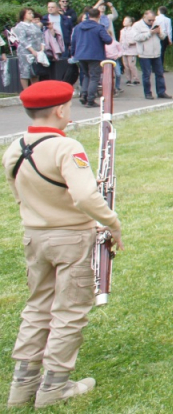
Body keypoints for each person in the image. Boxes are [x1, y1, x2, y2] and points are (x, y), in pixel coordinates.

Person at [3, 81, 123, 408]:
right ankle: (55, 385)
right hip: (71, 237)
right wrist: (111, 222)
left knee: (37, 307)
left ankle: (22, 385)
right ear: (59, 110)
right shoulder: (66, 148)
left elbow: (19, 195)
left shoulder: (14, 148)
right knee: (68, 310)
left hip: (35, 236)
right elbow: (84, 195)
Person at [71, 8, 112, 107]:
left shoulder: (78, 27)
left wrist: (74, 53)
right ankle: (90, 100)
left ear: (88, 16)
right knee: (94, 77)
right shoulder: (99, 27)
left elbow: (73, 41)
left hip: (81, 54)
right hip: (95, 55)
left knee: (86, 75)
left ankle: (84, 95)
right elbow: (108, 40)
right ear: (99, 16)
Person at [131, 11, 169, 101]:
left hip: (156, 53)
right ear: (144, 17)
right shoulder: (137, 25)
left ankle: (161, 92)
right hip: (144, 54)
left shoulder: (157, 23)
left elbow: (163, 36)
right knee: (146, 75)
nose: (152, 22)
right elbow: (136, 38)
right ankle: (148, 93)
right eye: (149, 20)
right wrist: (149, 33)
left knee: (160, 73)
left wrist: (159, 32)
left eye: (153, 20)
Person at [10, 9, 46, 91]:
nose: (32, 15)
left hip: (37, 51)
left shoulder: (35, 25)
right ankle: (26, 91)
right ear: (24, 15)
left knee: (35, 72)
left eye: (32, 13)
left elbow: (41, 36)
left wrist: (42, 48)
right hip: (25, 52)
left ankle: (36, 91)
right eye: (29, 13)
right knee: (25, 72)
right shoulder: (20, 26)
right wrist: (32, 50)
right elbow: (23, 40)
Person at [117, 17, 140, 86]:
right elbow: (121, 40)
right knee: (126, 65)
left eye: (126, 21)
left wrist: (130, 42)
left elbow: (137, 39)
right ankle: (128, 79)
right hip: (124, 50)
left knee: (131, 65)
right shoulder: (122, 31)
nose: (124, 22)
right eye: (124, 20)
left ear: (130, 23)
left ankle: (135, 79)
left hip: (132, 50)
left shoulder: (134, 30)